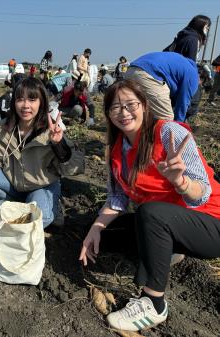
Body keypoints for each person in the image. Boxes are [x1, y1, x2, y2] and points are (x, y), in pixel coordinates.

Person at [79, 80, 220, 332]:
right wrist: (96, 227)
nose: (123, 113)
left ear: (144, 105)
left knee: (150, 212)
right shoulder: (117, 148)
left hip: (209, 224)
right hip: (164, 223)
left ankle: (154, 303)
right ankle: (167, 251)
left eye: (130, 104)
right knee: (99, 236)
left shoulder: (170, 134)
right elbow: (117, 199)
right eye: (115, 108)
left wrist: (180, 181)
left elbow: (201, 194)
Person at [0, 77, 84, 227]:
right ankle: (15, 207)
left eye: (32, 100)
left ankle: (50, 204)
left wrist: (59, 145)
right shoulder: (5, 128)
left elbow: (77, 166)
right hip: (15, 184)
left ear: (41, 103)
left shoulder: (51, 132)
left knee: (42, 218)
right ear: (14, 102)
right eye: (20, 99)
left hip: (41, 186)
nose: (26, 105)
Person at [123, 51, 198, 121]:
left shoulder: (180, 62)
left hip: (130, 71)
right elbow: (183, 102)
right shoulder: (193, 76)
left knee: (138, 116)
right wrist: (179, 124)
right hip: (147, 74)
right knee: (167, 120)